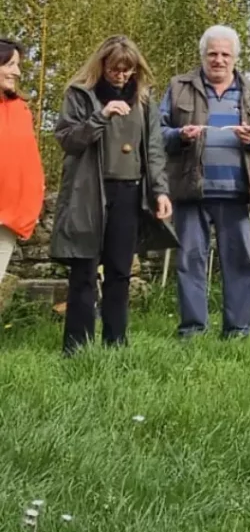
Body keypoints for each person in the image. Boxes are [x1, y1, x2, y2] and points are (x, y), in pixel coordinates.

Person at [50, 36, 175, 353]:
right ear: (102, 65)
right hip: (89, 191)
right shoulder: (80, 94)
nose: (121, 76)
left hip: (130, 191)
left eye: (128, 70)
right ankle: (76, 349)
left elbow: (155, 150)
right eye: (115, 69)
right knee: (85, 272)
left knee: (120, 272)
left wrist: (159, 190)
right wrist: (101, 116)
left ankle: (116, 344)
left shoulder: (144, 99)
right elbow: (69, 140)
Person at [160, 25, 250, 339]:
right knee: (189, 262)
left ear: (235, 57)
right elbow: (157, 132)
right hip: (191, 189)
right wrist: (179, 135)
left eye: (225, 54)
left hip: (237, 192)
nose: (219, 60)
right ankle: (193, 329)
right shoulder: (178, 87)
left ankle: (238, 329)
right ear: (202, 55)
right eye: (213, 53)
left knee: (239, 262)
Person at [0, 39, 45, 289]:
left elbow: (27, 161)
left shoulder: (20, 110)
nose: (16, 72)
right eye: (10, 64)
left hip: (7, 220)